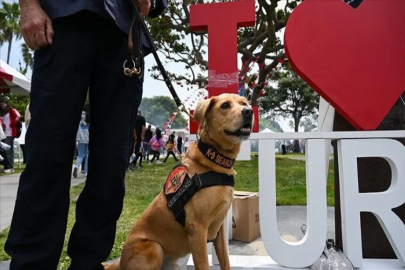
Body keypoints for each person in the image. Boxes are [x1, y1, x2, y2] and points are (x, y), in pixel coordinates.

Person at [5, 1, 167, 269]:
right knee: (47, 154)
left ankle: (89, 263)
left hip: (124, 34)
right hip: (64, 20)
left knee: (112, 164)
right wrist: (28, 4)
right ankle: (31, 263)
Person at [0, 96, 21, 173]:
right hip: (3, 134)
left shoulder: (12, 110)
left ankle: (10, 167)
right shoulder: (2, 112)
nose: (2, 105)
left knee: (9, 150)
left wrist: (13, 124)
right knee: (3, 151)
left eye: (4, 104)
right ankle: (6, 165)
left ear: (7, 103)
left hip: (10, 133)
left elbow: (18, 116)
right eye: (1, 104)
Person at [73, 111, 90, 177]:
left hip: (80, 141)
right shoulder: (88, 123)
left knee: (80, 155)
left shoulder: (79, 123)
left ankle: (76, 166)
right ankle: (86, 171)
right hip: (88, 141)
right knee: (87, 156)